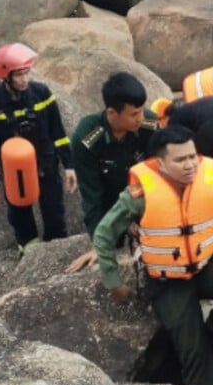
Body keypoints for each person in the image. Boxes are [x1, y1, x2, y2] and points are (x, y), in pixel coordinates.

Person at [93, 125, 213, 385]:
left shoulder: (207, 179)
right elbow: (104, 234)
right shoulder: (138, 195)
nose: (190, 164)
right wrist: (113, 281)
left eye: (193, 156)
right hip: (167, 281)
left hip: (207, 265)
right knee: (193, 351)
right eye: (181, 160)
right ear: (160, 163)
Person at [0, 43, 77, 251]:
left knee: (54, 212)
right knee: (20, 216)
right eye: (19, 75)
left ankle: (56, 251)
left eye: (26, 73)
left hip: (47, 164)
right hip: (16, 172)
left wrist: (69, 165)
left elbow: (58, 133)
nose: (25, 79)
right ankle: (29, 252)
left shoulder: (41, 93)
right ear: (6, 76)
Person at [66, 72, 159, 273]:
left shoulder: (149, 125)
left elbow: (159, 171)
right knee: (112, 246)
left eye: (141, 111)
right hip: (109, 203)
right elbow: (92, 195)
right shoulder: (88, 137)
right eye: (133, 114)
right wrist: (100, 244)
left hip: (143, 196)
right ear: (111, 113)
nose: (140, 118)